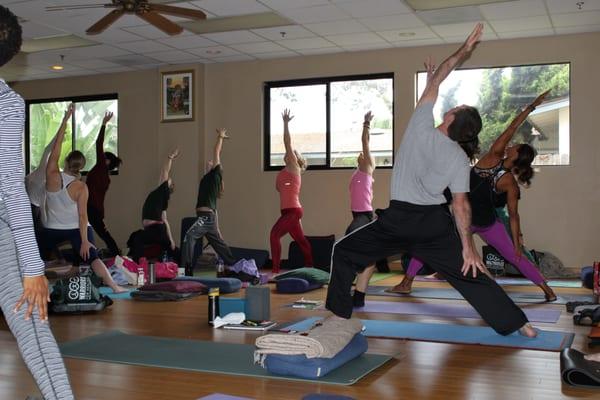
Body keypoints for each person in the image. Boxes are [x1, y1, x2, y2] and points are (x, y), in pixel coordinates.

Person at [325, 23, 536, 337]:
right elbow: (461, 205)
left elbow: (440, 75)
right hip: (433, 225)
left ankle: (339, 319)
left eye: (455, 107)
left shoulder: (420, 126)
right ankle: (520, 324)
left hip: (397, 220)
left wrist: (463, 51)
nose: (451, 106)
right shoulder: (458, 157)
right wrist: (467, 247)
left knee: (343, 252)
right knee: (469, 271)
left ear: (450, 117)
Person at [394, 90, 557, 302]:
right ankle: (548, 291)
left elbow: (512, 127)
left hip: (468, 217)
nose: (511, 144)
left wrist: (531, 107)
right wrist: (516, 243)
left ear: (516, 155)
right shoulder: (511, 183)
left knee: (427, 240)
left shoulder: (494, 156)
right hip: (488, 221)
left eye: (514, 146)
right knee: (514, 255)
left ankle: (406, 282)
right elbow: (514, 216)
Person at [0, 5, 75, 399]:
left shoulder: (8, 106)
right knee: (30, 319)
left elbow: (12, 191)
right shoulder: (9, 104)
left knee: (30, 317)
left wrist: (32, 269)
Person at [42, 104, 126, 294]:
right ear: (82, 167)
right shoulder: (82, 187)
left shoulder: (52, 174)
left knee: (35, 257)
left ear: (65, 162)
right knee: (93, 257)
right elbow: (82, 216)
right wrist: (85, 242)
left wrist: (65, 120)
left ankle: (32, 287)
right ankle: (113, 286)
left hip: (52, 229)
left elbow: (56, 147)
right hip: (75, 228)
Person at [343, 111, 386, 307]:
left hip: (363, 216)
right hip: (360, 216)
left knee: (347, 243)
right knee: (362, 251)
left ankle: (349, 282)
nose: (361, 155)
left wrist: (366, 123)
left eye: (365, 155)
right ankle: (358, 290)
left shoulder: (367, 168)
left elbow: (365, 143)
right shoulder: (357, 172)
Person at [182, 129, 238, 273]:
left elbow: (216, 151)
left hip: (206, 217)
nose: (210, 161)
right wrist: (217, 228)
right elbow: (215, 209)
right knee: (218, 244)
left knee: (189, 236)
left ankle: (186, 268)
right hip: (208, 217)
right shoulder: (206, 178)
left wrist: (220, 137)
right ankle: (234, 264)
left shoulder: (215, 174)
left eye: (213, 162)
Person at [269, 109, 314, 274]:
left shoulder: (294, 167)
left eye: (290, 153)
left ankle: (275, 271)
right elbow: (280, 189)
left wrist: (285, 124)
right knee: (301, 240)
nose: (287, 154)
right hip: (289, 212)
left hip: (293, 211)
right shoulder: (284, 171)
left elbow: (287, 142)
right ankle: (310, 267)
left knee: (274, 235)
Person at [128, 149, 180, 263]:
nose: (167, 179)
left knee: (137, 239)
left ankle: (139, 264)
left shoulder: (164, 192)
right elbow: (165, 220)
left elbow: (165, 171)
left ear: (168, 187)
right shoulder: (159, 195)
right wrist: (170, 239)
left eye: (169, 181)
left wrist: (170, 158)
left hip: (156, 230)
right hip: (157, 230)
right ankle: (180, 260)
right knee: (170, 248)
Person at [86, 111, 122, 257]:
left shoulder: (101, 167)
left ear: (106, 161)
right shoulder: (106, 177)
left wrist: (103, 124)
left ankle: (115, 254)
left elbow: (98, 143)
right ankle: (114, 253)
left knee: (80, 230)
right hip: (96, 209)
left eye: (103, 157)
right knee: (101, 233)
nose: (101, 157)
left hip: (91, 207)